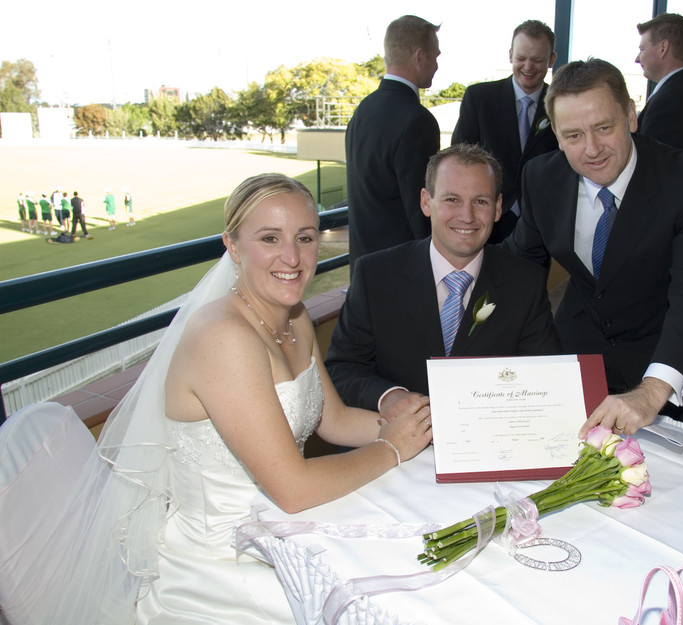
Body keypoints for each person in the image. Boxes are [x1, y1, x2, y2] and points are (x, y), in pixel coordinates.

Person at [30, 174, 433, 624]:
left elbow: (333, 420)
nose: (293, 258)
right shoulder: (223, 338)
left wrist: (422, 423)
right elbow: (294, 488)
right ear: (233, 246)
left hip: (283, 525)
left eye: (305, 237)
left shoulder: (293, 316)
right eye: (269, 238)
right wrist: (393, 447)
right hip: (222, 559)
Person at [504, 58, 683, 436]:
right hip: (577, 356)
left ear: (631, 116)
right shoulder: (541, 177)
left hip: (662, 360)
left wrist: (654, 389)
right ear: (556, 135)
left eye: (604, 128)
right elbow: (517, 264)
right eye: (573, 136)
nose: (591, 149)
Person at [326, 144, 562, 418]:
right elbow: (341, 369)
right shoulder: (375, 275)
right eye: (452, 199)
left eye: (481, 201)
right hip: (394, 446)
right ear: (426, 202)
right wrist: (387, 397)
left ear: (498, 208)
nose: (467, 216)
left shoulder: (525, 283)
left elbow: (546, 377)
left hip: (487, 444)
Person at [345, 15, 441, 273]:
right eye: (435, 56)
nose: (437, 66)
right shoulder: (417, 120)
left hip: (363, 266)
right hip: (401, 270)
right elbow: (422, 209)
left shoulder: (362, 111)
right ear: (419, 56)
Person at [451, 19, 559, 243]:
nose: (528, 67)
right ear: (510, 55)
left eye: (537, 60)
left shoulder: (560, 103)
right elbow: (458, 159)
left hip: (543, 225)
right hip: (487, 224)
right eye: (521, 58)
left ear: (551, 60)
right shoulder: (479, 98)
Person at [634, 13, 683, 160]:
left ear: (663, 48)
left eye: (642, 49)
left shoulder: (672, 101)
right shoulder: (682, 91)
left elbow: (650, 166)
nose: (637, 58)